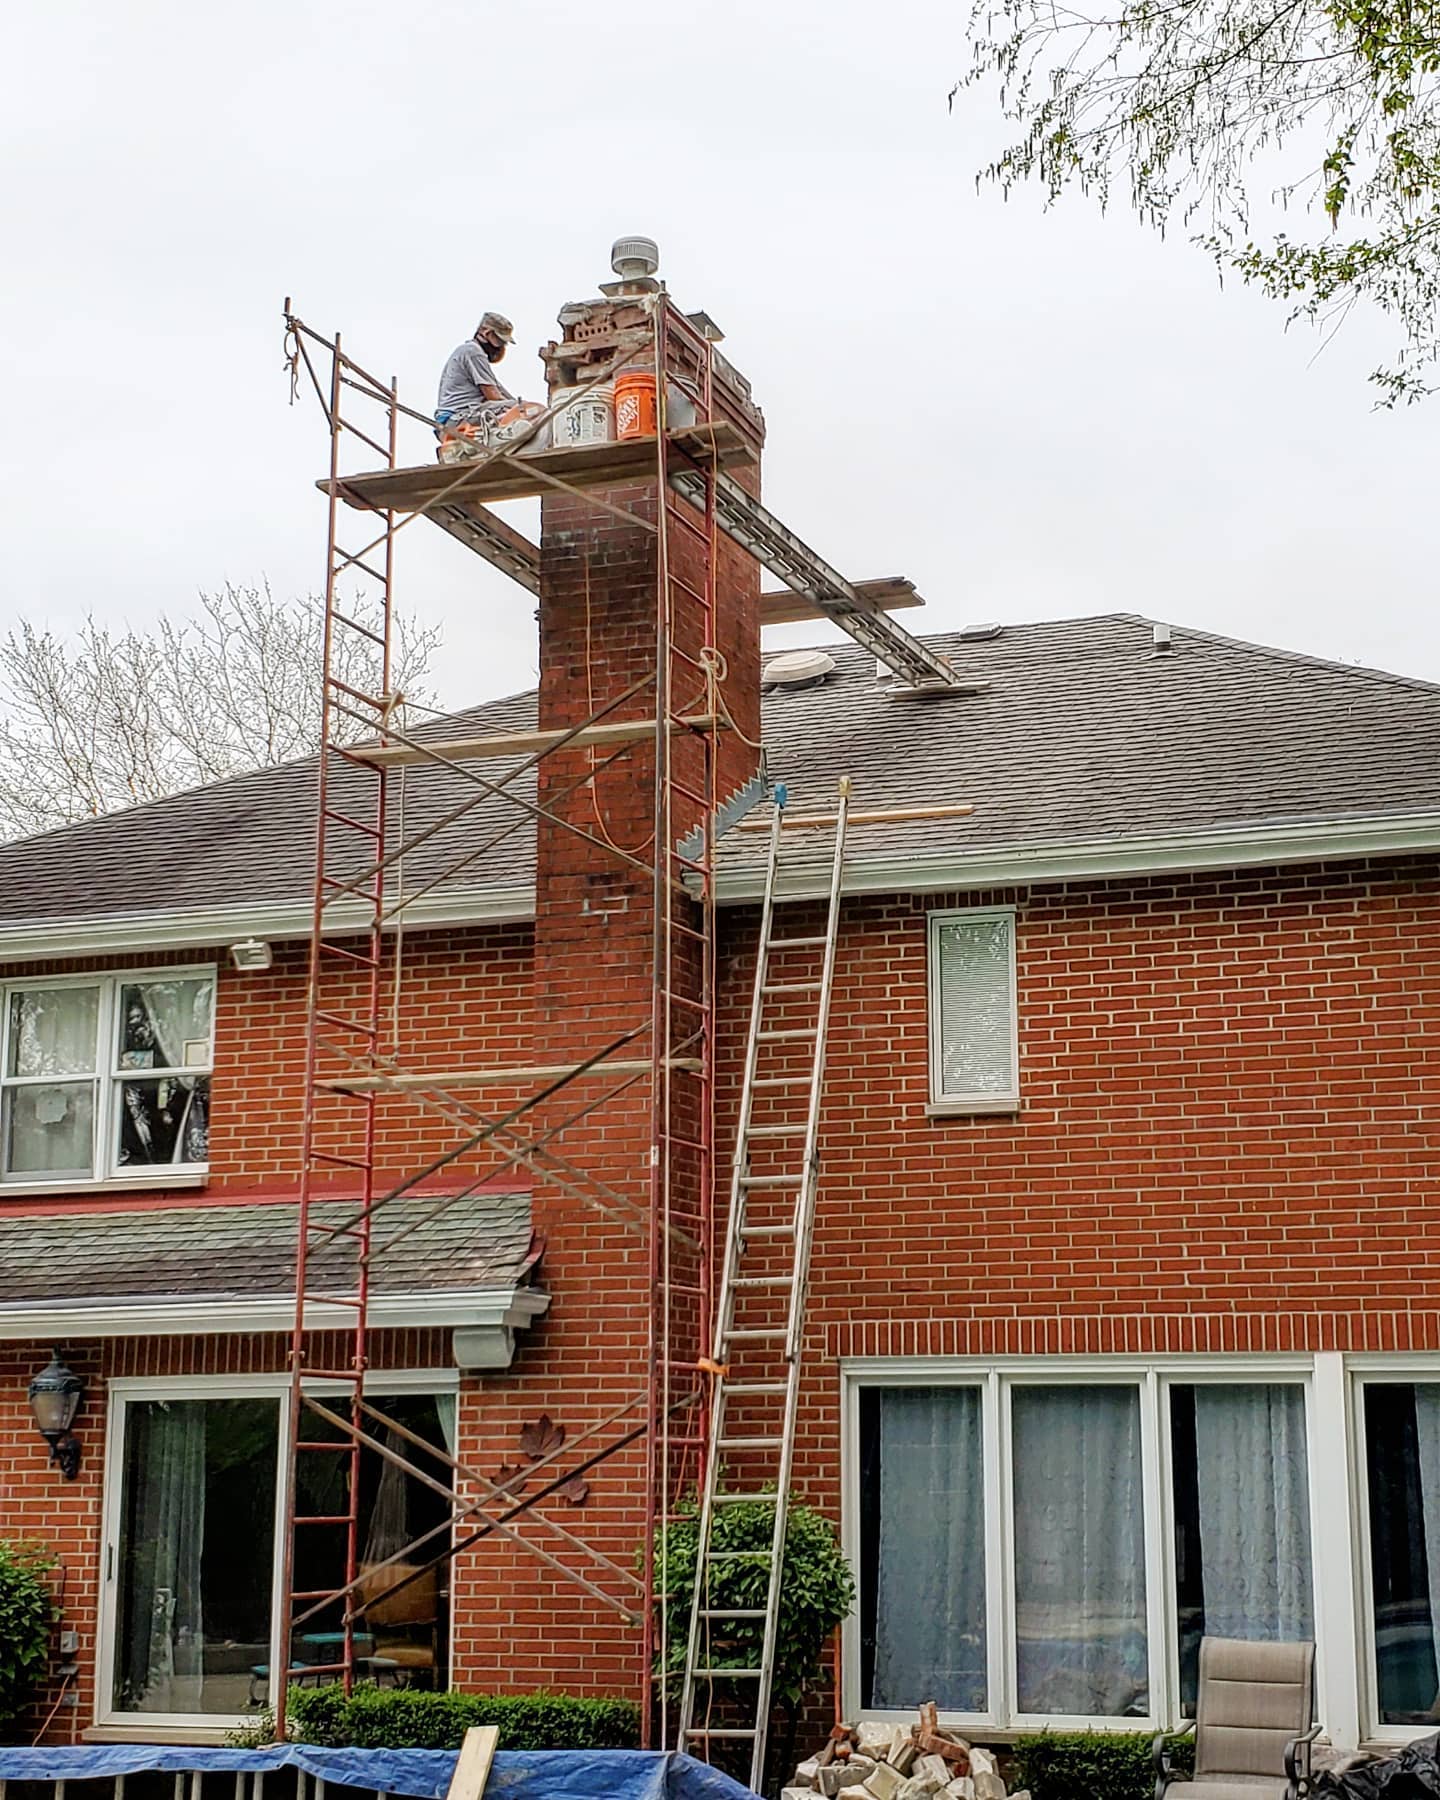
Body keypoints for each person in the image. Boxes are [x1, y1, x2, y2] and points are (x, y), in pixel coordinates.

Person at [436, 311, 519, 441]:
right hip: (458, 416)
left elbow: (498, 388)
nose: (501, 346)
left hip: (461, 413)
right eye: (499, 341)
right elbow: (493, 395)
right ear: (486, 333)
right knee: (521, 412)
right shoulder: (473, 352)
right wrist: (520, 408)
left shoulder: (472, 352)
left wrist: (522, 404)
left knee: (522, 408)